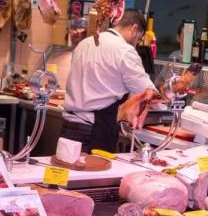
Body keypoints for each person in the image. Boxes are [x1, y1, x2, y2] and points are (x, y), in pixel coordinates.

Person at [61, 9, 158, 152]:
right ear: (134, 29)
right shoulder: (124, 50)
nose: (136, 43)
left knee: (67, 171)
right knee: (95, 174)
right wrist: (164, 104)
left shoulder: (85, 43)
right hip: (95, 129)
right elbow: (147, 92)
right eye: (138, 38)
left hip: (69, 125)